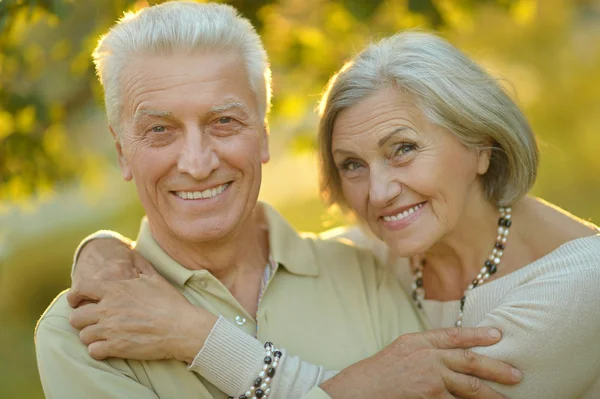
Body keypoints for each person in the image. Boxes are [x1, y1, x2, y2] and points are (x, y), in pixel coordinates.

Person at [69, 21, 600, 399]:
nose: (380, 192)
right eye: (352, 165)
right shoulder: (381, 254)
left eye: (404, 149)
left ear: (481, 144)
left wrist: (195, 337)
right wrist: (102, 248)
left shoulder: (579, 288)